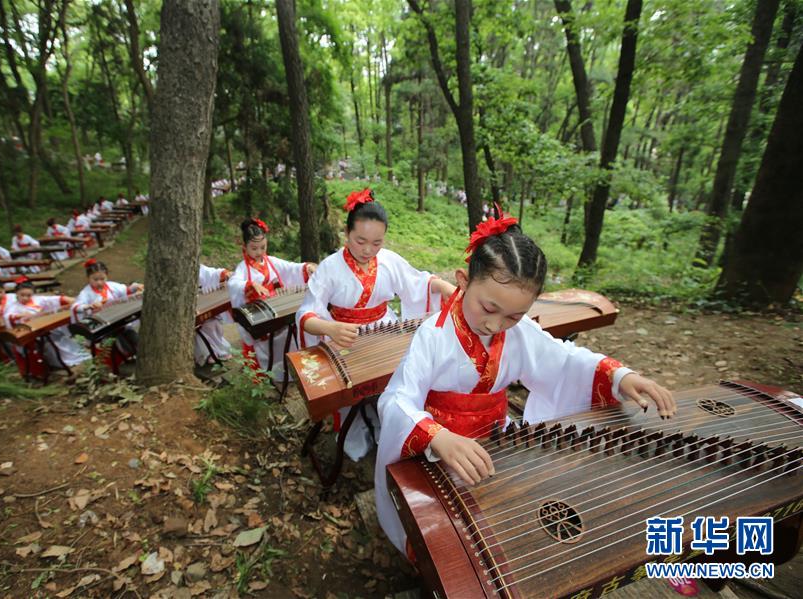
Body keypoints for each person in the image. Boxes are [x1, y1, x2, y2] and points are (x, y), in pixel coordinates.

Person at [373, 211, 676, 560]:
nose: (496, 324)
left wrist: (620, 376)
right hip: (439, 451)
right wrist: (437, 436)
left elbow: (563, 361)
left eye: (514, 316)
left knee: (501, 530)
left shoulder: (516, 332)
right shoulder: (433, 335)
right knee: (452, 545)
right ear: (463, 281)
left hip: (498, 444)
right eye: (489, 307)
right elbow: (397, 399)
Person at [296, 188, 456, 460]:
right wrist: (329, 328)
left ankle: (392, 425)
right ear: (346, 234)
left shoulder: (389, 261)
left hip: (384, 331)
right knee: (351, 393)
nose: (368, 250)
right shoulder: (330, 267)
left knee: (395, 382)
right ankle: (354, 434)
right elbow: (306, 313)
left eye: (377, 243)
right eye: (360, 241)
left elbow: (416, 284)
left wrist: (441, 285)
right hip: (343, 336)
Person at [226, 218, 315, 382]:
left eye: (263, 247)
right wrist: (249, 284)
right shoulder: (243, 269)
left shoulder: (271, 262)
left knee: (289, 333)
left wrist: (305, 268)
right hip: (260, 313)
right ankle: (268, 373)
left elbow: (290, 268)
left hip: (277, 307)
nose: (259, 252)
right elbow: (233, 282)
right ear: (244, 247)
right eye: (254, 248)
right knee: (265, 345)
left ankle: (289, 370)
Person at [71, 259, 143, 370]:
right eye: (95, 279)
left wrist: (134, 287)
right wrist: (88, 306)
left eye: (102, 279)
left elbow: (125, 291)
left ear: (107, 277)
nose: (99, 282)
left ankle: (140, 354)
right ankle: (122, 360)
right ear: (88, 278)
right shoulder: (86, 293)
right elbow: (77, 306)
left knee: (130, 333)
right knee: (113, 339)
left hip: (117, 318)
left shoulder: (111, 286)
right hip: (101, 324)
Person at [3, 280, 89, 368]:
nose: (25, 298)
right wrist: (19, 316)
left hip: (45, 325)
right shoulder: (13, 307)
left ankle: (77, 355)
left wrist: (65, 299)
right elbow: (8, 317)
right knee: (52, 338)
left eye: (28, 295)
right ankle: (61, 361)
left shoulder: (37, 299)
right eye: (22, 295)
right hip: (32, 332)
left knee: (61, 331)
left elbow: (52, 300)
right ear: (16, 293)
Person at [194, 264, 232, 366]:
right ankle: (208, 354)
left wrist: (223, 274)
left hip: (204, 306)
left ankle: (218, 350)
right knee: (202, 327)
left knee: (213, 324)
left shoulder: (198, 268)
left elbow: (212, 273)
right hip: (192, 310)